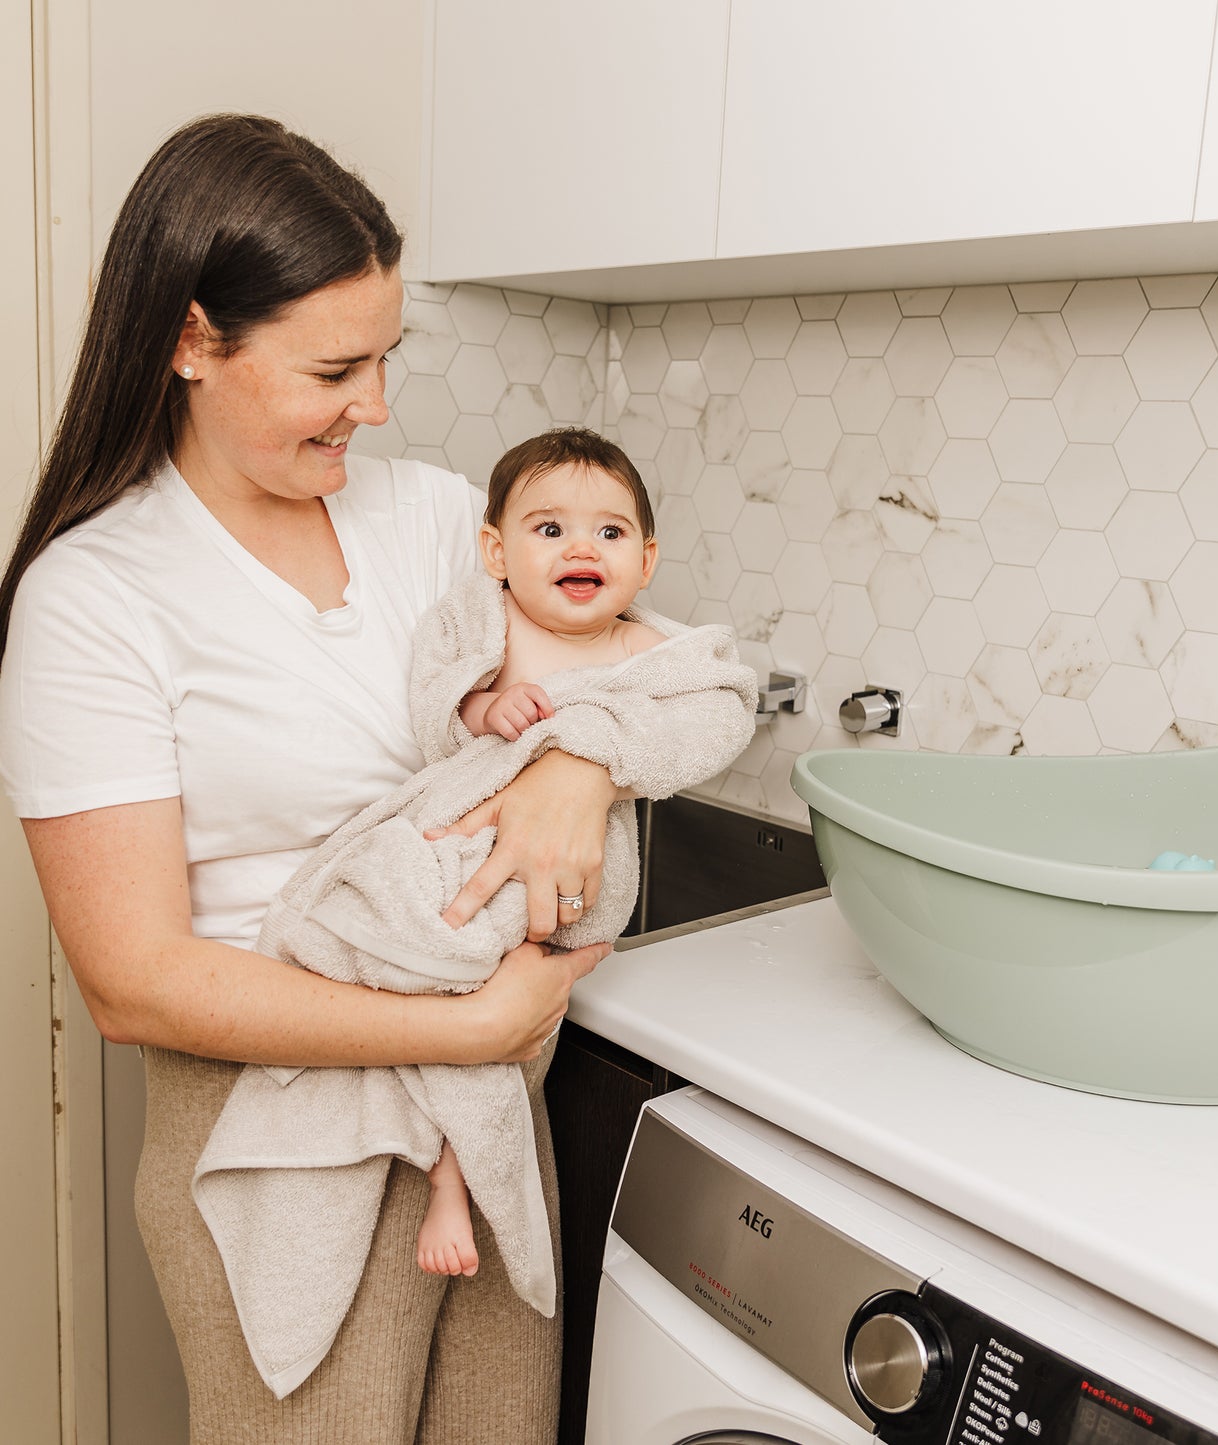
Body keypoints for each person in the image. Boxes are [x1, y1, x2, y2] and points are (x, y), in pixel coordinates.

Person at [0, 113, 714, 1444]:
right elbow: (130, 979)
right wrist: (466, 1030)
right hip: (281, 1126)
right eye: (338, 366)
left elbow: (621, 677)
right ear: (192, 340)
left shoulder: (439, 518)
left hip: (483, 1111)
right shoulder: (94, 596)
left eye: (389, 357)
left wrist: (576, 766)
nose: (377, 405)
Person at [191, 427, 756, 1398]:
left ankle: (453, 1178)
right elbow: (431, 709)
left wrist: (587, 742)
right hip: (456, 844)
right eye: (548, 527)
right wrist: (480, 713)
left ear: (646, 559)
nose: (582, 548)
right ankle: (416, 1132)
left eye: (610, 530)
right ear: (496, 551)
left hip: (560, 895)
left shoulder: (649, 649)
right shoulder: (481, 625)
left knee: (506, 1025)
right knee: (422, 949)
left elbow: (724, 706)